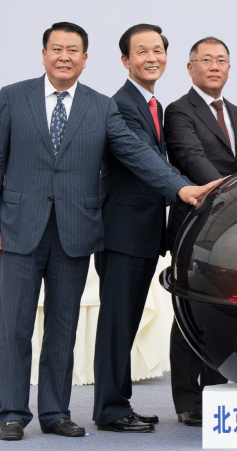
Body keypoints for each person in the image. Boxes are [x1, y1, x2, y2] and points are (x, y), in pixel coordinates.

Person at [0, 21, 216, 442]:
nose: (64, 57)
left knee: (63, 327)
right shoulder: (13, 97)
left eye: (73, 50)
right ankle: (12, 414)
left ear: (85, 59)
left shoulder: (100, 106)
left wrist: (179, 188)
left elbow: (137, 153)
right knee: (15, 327)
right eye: (57, 49)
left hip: (74, 231)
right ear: (44, 54)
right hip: (19, 229)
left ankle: (55, 412)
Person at [92, 23, 178, 433]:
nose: (152, 57)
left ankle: (118, 403)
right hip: (121, 233)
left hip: (141, 233)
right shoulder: (122, 105)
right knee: (116, 323)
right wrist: (186, 189)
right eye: (142, 51)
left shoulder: (152, 105)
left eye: (158, 50)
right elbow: (146, 161)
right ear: (125, 60)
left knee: (124, 322)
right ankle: (110, 410)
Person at [163, 36, 237, 427]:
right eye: (207, 60)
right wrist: (231, 197)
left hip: (233, 230)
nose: (215, 67)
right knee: (190, 311)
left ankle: (217, 390)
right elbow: (191, 157)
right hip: (195, 224)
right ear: (190, 67)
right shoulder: (179, 110)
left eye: (222, 60)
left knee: (224, 310)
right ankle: (187, 399)